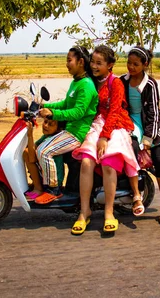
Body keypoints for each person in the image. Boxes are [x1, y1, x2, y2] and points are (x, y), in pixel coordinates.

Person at [71, 45, 139, 235]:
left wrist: (104, 137)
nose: (94, 66)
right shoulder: (90, 81)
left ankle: (109, 213)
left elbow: (115, 111)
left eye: (99, 63)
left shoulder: (115, 83)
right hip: (97, 124)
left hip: (115, 125)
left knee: (109, 163)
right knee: (86, 162)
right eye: (92, 61)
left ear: (110, 65)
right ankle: (85, 211)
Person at [34, 46, 99, 204]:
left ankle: (53, 190)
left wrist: (52, 114)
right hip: (69, 130)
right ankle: (45, 184)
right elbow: (66, 103)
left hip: (76, 133)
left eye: (69, 60)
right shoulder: (76, 82)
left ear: (81, 62)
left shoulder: (86, 85)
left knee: (44, 151)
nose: (67, 64)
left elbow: (78, 112)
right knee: (38, 145)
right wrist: (46, 106)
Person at [122, 46, 160, 225]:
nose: (131, 67)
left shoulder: (150, 84)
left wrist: (149, 138)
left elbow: (154, 112)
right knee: (131, 152)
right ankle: (136, 195)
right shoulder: (123, 81)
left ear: (144, 65)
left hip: (152, 124)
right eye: (129, 63)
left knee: (159, 161)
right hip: (132, 122)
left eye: (135, 64)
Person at [22, 117, 65, 200]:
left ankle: (38, 189)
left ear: (58, 129)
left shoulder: (52, 140)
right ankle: (36, 184)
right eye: (45, 122)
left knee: (27, 153)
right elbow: (33, 149)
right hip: (45, 175)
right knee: (26, 152)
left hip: (52, 183)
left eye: (51, 124)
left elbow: (31, 157)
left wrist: (30, 135)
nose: (45, 125)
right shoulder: (46, 136)